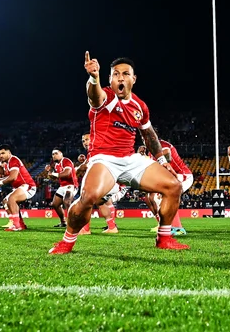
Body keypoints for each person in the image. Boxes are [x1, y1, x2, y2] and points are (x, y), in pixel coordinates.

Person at [49, 53, 188, 253]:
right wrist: (93, 78)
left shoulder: (140, 106)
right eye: (115, 74)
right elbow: (94, 96)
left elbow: (149, 135)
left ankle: (164, 238)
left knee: (174, 186)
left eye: (125, 74)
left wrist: (162, 160)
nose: (120, 78)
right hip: (104, 159)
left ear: (134, 79)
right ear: (110, 79)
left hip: (130, 159)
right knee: (89, 197)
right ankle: (67, 241)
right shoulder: (106, 97)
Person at [139, 136, 194, 236]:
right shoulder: (151, 150)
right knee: (148, 197)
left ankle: (178, 228)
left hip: (182, 175)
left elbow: (167, 156)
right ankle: (161, 224)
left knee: (166, 196)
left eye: (145, 137)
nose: (144, 140)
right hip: (169, 177)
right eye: (142, 138)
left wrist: (147, 159)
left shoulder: (161, 144)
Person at [0, 144, 37, 231]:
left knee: (12, 199)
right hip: (18, 187)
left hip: (27, 186)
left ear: (9, 152)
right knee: (6, 201)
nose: (1, 155)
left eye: (3, 153)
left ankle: (16, 225)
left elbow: (13, 177)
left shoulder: (13, 160)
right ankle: (20, 224)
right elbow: (0, 174)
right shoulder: (6, 164)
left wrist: (0, 181)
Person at [45, 149, 78, 228]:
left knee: (67, 201)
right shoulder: (56, 165)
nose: (54, 155)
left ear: (61, 154)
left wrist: (53, 173)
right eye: (53, 154)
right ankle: (63, 222)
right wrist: (49, 172)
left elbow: (67, 173)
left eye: (56, 153)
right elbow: (56, 178)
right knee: (55, 204)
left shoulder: (66, 161)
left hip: (71, 185)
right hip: (62, 186)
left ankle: (73, 222)